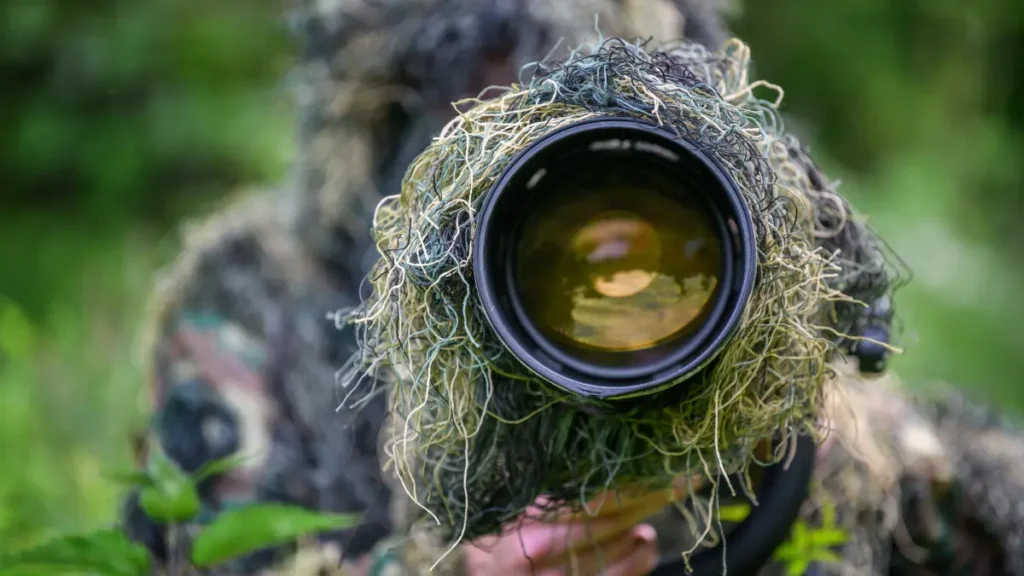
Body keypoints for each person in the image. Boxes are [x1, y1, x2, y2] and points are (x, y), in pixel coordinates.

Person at [121, 1, 1024, 575]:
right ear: (388, 119)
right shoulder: (260, 292)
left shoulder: (754, 292)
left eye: (565, 94)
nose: (511, 139)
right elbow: (208, 557)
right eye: (471, 108)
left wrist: (773, 425)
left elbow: (944, 503)